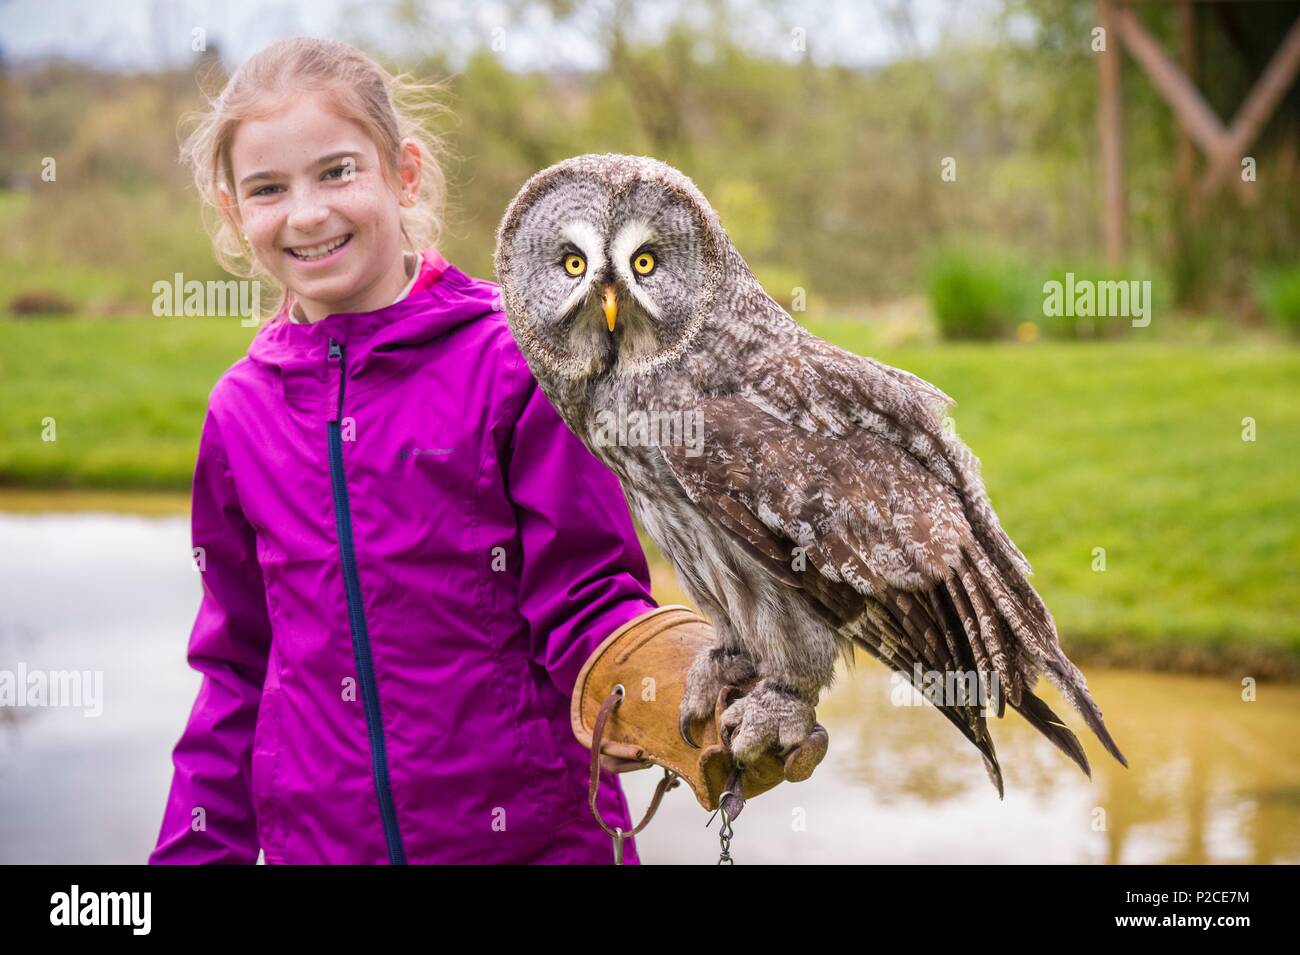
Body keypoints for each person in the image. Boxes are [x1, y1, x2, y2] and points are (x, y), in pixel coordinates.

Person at [148, 36, 660, 865]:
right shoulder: (241, 412)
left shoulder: (518, 361)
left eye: (337, 171)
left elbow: (590, 594)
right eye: (268, 189)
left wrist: (637, 684)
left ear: (404, 172)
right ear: (234, 209)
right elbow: (236, 672)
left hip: (534, 845)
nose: (307, 212)